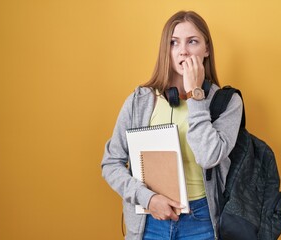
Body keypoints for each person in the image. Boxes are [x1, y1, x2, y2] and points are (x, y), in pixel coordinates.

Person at [101, 10, 243, 240]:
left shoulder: (227, 103)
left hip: (202, 221)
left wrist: (196, 96)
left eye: (193, 41)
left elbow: (208, 157)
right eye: (174, 42)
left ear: (206, 49)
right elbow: (110, 163)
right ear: (166, 50)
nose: (183, 50)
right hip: (149, 222)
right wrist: (148, 199)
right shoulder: (140, 101)